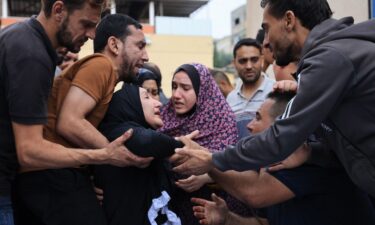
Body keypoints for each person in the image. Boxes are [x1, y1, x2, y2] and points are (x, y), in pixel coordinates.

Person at [171, 0, 375, 198]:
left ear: (288, 20)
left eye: (267, 29)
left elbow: (280, 137)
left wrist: (213, 159)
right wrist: (311, 153)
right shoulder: (340, 52)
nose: (266, 41)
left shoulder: (331, 58)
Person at [14, 14, 152, 225]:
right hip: (51, 175)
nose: (146, 56)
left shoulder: (104, 73)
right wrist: (113, 154)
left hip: (48, 176)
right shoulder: (102, 65)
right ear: (114, 45)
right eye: (140, 46)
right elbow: (69, 123)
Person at [0, 1, 114, 224]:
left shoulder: (21, 37)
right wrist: (103, 155)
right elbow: (30, 151)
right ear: (59, 10)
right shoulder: (31, 53)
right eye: (86, 24)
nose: (92, 35)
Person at [190, 91, 375, 225]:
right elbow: (266, 222)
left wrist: (206, 161)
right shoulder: (273, 164)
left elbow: (254, 193)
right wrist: (228, 219)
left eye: (258, 118)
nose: (249, 126)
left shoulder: (306, 162)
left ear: (280, 128)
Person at [160, 63, 240, 224]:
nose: (176, 94)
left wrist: (207, 176)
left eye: (185, 88)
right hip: (170, 208)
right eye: (174, 86)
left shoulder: (222, 121)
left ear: (202, 89)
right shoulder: (163, 117)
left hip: (211, 209)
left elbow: (233, 165)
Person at [95, 84, 184, 225]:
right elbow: (147, 141)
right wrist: (182, 145)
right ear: (129, 105)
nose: (159, 103)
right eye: (146, 97)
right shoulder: (117, 131)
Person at [226, 38, 275, 138]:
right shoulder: (231, 98)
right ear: (234, 63)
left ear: (262, 59)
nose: (248, 66)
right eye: (243, 61)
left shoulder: (275, 91)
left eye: (254, 60)